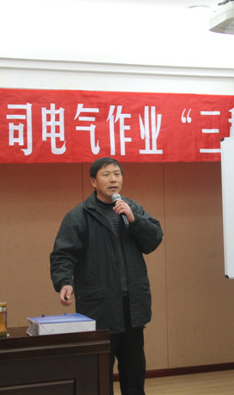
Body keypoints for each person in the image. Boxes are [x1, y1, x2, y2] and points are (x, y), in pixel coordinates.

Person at [50, 157, 163, 395]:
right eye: (106, 174)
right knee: (99, 379)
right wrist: (64, 282)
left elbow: (153, 240)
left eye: (117, 174)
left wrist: (134, 220)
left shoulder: (131, 208)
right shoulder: (79, 216)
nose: (113, 179)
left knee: (134, 376)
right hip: (100, 308)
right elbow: (63, 255)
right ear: (93, 181)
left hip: (133, 307)